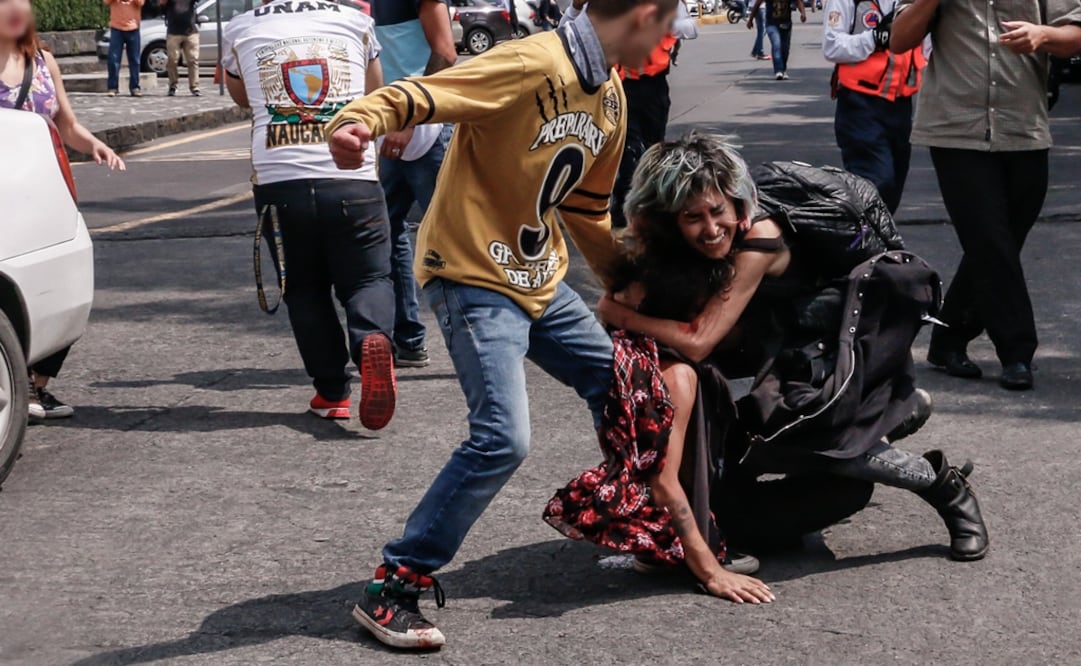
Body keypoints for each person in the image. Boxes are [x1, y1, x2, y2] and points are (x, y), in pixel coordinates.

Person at [326, 0, 678, 649]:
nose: (671, 36)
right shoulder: (528, 61)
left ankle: (639, 526)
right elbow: (423, 92)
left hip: (538, 276)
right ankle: (394, 581)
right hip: (469, 273)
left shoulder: (611, 100)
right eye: (668, 23)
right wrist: (356, 122)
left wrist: (633, 287)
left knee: (624, 388)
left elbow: (586, 213)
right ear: (645, 14)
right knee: (501, 438)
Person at [596, 134, 989, 565]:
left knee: (822, 441)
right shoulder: (679, 238)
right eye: (692, 217)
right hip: (793, 338)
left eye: (718, 212)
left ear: (737, 200)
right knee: (753, 445)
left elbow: (699, 338)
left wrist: (618, 313)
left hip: (844, 335)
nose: (710, 229)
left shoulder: (759, 236)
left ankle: (941, 483)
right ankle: (892, 411)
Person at [221, 0, 398, 430]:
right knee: (368, 278)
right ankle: (372, 336)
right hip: (352, 178)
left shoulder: (241, 26)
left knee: (303, 288)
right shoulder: (356, 20)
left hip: (279, 182)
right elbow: (374, 91)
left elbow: (244, 96)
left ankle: (332, 392)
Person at [891, 0, 1081, 390]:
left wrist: (1042, 34)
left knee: (999, 243)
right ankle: (1017, 351)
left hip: (1024, 126)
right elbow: (898, 40)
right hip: (954, 127)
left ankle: (948, 338)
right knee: (990, 240)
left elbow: (1073, 36)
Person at [0, 0, 125, 421]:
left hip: (45, 188)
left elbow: (66, 123)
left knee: (64, 280)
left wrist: (94, 146)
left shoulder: (44, 61)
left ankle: (36, 388)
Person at [370, 0, 458, 368]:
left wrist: (411, 122)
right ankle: (408, 339)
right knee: (387, 235)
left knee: (454, 245)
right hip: (393, 130)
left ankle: (478, 340)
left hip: (426, 130)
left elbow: (446, 53)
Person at [561, 0, 697, 227]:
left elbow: (689, 29)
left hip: (654, 88)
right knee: (626, 148)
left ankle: (652, 199)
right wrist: (575, 7)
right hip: (616, 87)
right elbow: (565, 32)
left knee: (653, 147)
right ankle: (626, 201)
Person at [822, 0, 926, 214]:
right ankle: (862, 240)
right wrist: (874, 38)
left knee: (894, 184)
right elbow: (831, 46)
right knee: (876, 181)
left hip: (900, 105)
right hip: (859, 104)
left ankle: (874, 238)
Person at [749, 0, 807, 80]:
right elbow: (757, 4)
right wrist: (750, 19)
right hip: (772, 24)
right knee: (776, 44)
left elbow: (798, 2)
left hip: (786, 24)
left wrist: (803, 13)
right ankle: (778, 70)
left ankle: (783, 69)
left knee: (785, 49)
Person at [104, 0, 144, 97]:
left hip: (133, 28)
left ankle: (135, 87)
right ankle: (112, 87)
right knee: (113, 59)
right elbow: (106, 2)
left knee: (135, 60)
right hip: (116, 28)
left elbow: (141, 3)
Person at [160, 0, 200, 97]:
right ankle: (173, 85)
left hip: (190, 32)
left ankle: (195, 87)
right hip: (173, 32)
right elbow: (161, 4)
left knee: (193, 60)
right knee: (172, 60)